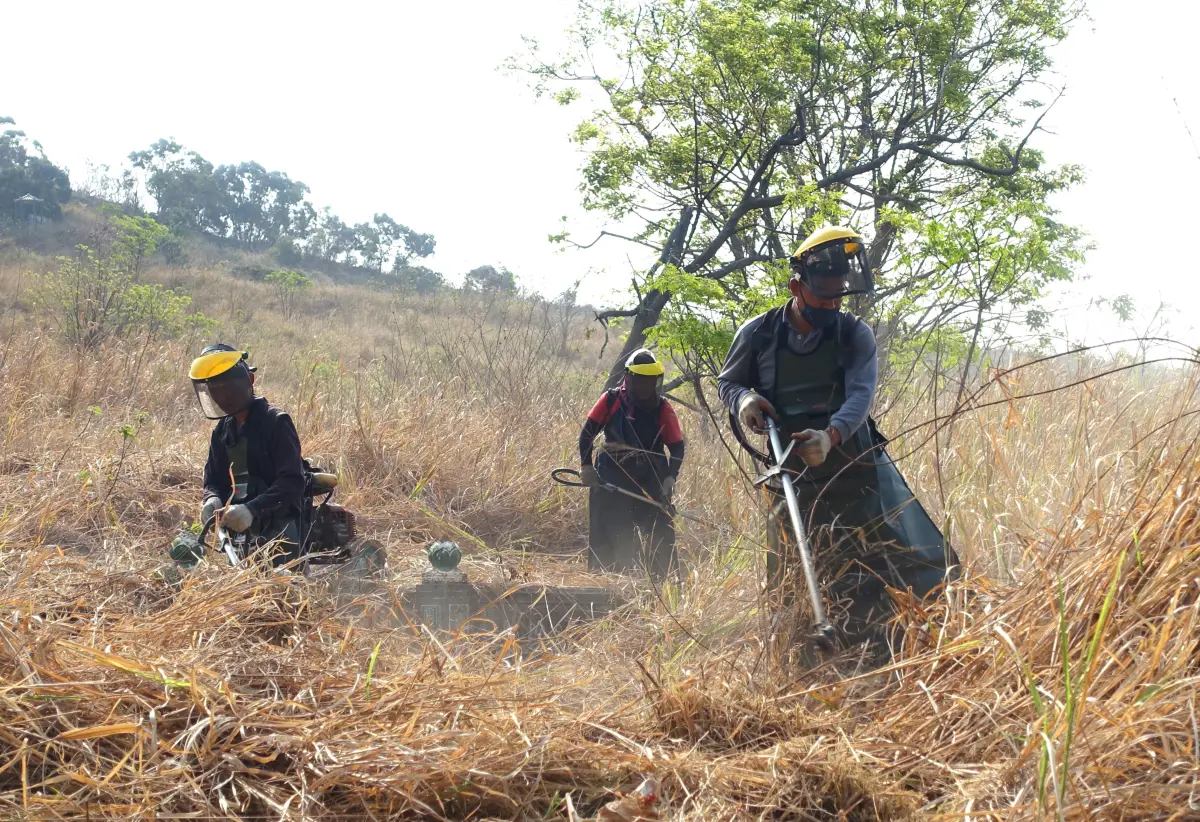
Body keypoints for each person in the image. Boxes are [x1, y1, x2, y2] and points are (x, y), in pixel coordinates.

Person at [717, 226, 955, 657]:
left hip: (853, 464)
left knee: (881, 554)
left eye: (838, 297)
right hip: (790, 470)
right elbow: (728, 383)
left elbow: (861, 395)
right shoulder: (758, 334)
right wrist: (744, 400)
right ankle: (801, 650)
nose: (832, 306)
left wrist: (830, 436)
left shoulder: (854, 334)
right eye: (823, 297)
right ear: (796, 288)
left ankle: (893, 644)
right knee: (794, 560)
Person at [189, 344, 306, 567]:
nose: (223, 396)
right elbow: (213, 480)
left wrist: (253, 509)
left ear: (249, 380)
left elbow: (292, 481)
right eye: (215, 389)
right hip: (238, 532)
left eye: (228, 387)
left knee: (284, 586)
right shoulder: (222, 432)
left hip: (278, 531)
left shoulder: (275, 422)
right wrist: (211, 498)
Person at [578, 348, 685, 581]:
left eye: (650, 381)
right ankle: (607, 582)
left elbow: (677, 447)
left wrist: (670, 477)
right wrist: (586, 467)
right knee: (611, 528)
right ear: (629, 378)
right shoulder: (611, 400)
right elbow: (587, 435)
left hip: (651, 476)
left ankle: (662, 581)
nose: (646, 386)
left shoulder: (663, 408)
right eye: (641, 380)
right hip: (611, 475)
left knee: (660, 528)